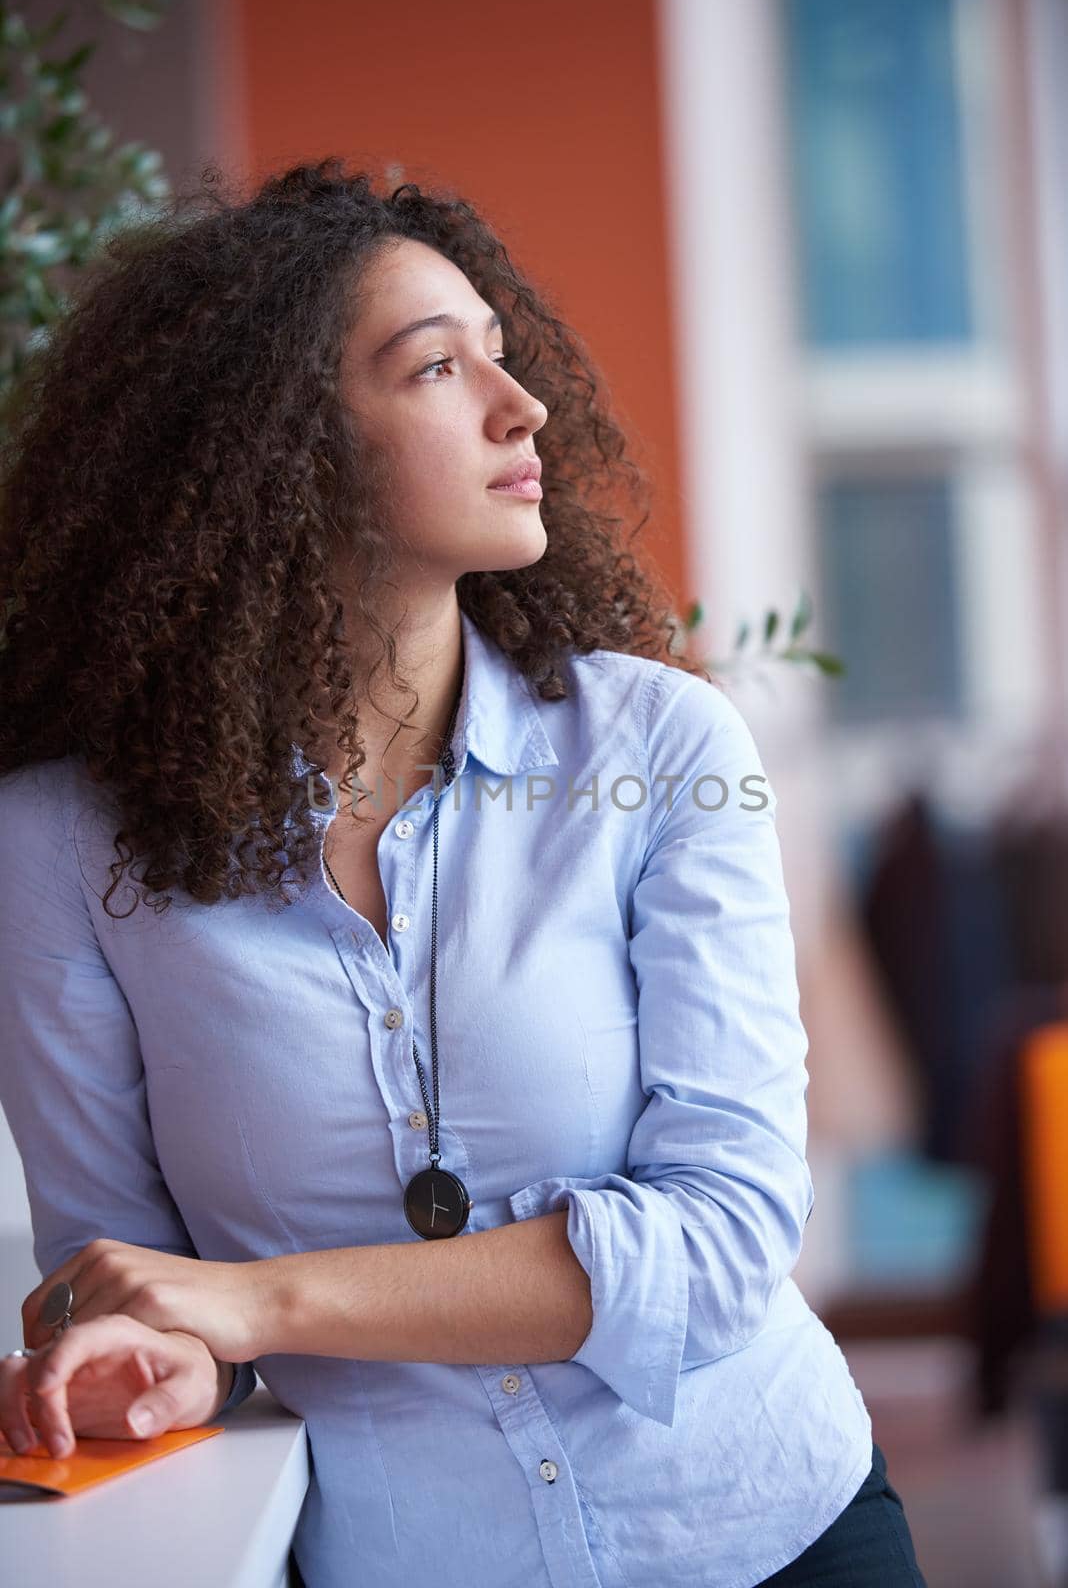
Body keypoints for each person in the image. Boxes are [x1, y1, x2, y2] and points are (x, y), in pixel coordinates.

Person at [0, 159, 927, 1587]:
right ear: (274, 448)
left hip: (771, 1532)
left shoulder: (660, 744)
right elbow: (124, 1280)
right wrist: (175, 1360)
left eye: (506, 355)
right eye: (440, 368)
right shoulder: (61, 844)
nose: (525, 407)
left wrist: (258, 1303)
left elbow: (729, 1236)